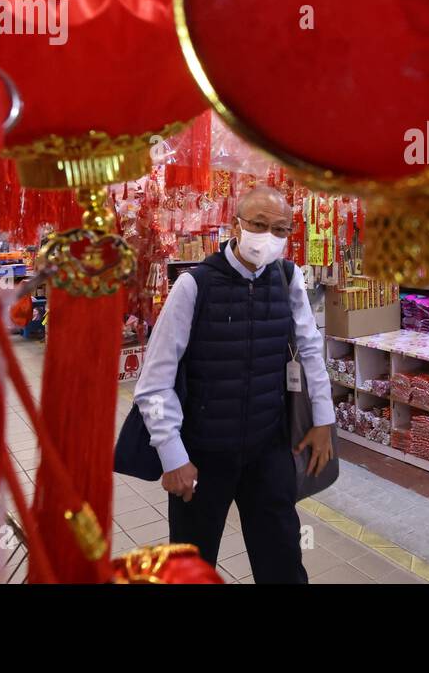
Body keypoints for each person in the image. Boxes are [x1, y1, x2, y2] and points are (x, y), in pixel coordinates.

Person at [134, 186, 334, 582]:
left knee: (282, 560)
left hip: (268, 448)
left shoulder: (288, 278)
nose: (269, 236)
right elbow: (154, 382)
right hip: (203, 454)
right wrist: (172, 455)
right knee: (192, 564)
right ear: (234, 225)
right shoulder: (195, 286)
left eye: (280, 229)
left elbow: (311, 350)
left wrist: (323, 420)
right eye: (259, 224)